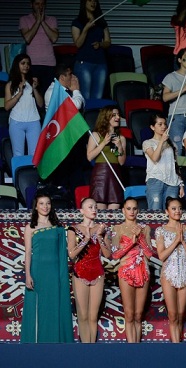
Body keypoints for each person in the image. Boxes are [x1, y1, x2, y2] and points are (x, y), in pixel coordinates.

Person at [21, 192, 73, 343]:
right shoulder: (30, 227)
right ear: (36, 207)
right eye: (42, 203)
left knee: (54, 306)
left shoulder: (57, 228)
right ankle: (36, 343)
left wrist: (63, 277)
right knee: (38, 307)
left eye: (48, 203)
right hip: (37, 271)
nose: (45, 206)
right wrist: (28, 275)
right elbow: (28, 253)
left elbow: (62, 255)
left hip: (55, 272)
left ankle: (56, 342)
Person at [110, 198, 156, 343]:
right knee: (129, 314)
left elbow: (149, 254)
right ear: (123, 210)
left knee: (138, 314)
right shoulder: (117, 229)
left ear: (138, 210)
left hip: (142, 269)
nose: (132, 211)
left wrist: (140, 238)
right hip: (125, 271)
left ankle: (137, 346)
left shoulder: (145, 228)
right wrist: (132, 241)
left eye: (134, 208)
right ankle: (131, 348)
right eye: (128, 208)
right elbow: (115, 254)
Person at [68, 198, 111, 343]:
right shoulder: (73, 229)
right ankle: (85, 349)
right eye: (90, 207)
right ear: (82, 211)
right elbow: (72, 255)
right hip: (80, 274)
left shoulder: (102, 229)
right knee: (83, 316)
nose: (94, 209)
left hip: (98, 274)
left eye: (95, 207)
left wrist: (99, 236)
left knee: (93, 317)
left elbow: (107, 255)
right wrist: (86, 239)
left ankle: (93, 349)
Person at [155, 197, 186, 343]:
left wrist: (183, 241)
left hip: (184, 274)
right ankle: (175, 347)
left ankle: (178, 344)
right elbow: (161, 255)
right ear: (167, 211)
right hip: (168, 274)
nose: (177, 211)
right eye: (173, 208)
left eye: (179, 208)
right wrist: (176, 241)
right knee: (172, 315)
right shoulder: (161, 231)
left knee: (180, 314)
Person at [4, 54, 43, 157]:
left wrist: (35, 88)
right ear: (17, 65)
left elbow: (40, 104)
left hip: (34, 121)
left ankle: (32, 173)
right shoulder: (10, 85)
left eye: (28, 64)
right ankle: (17, 173)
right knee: (18, 154)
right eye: (23, 63)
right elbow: (7, 106)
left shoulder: (33, 82)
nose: (26, 66)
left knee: (34, 155)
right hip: (16, 121)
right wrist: (19, 93)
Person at [143, 113, 185, 210]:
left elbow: (175, 165)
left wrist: (180, 183)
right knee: (156, 212)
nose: (163, 127)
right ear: (152, 127)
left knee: (172, 213)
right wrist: (161, 141)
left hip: (172, 182)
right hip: (155, 180)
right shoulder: (148, 143)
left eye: (165, 124)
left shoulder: (172, 144)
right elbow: (155, 158)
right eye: (160, 124)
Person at [87, 106, 126, 210]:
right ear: (105, 117)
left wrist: (119, 147)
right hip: (100, 175)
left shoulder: (120, 138)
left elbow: (121, 162)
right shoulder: (95, 135)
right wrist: (103, 143)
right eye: (114, 115)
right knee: (100, 210)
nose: (118, 117)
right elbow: (89, 157)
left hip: (115, 173)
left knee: (115, 208)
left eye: (118, 115)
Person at [71, 0, 110, 100]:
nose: (93, 3)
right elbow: (78, 44)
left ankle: (95, 116)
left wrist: (100, 44)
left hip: (100, 63)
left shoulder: (101, 21)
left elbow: (108, 42)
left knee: (98, 97)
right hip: (84, 63)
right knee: (85, 97)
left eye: (95, 0)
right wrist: (85, 29)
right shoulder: (77, 22)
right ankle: (85, 116)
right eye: (89, 0)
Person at [19, 0, 59, 95]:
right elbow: (27, 38)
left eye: (42, 4)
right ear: (31, 5)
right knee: (33, 95)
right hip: (32, 64)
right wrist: (37, 21)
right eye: (37, 3)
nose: (40, 6)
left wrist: (42, 22)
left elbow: (54, 38)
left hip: (49, 64)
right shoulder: (24, 19)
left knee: (49, 96)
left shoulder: (52, 20)